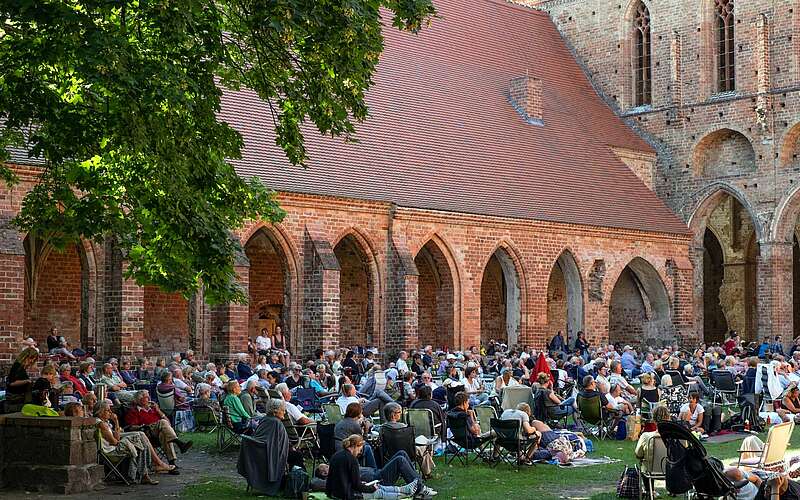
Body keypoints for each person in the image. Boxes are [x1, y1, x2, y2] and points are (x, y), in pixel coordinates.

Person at [95, 400, 175, 484]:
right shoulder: (101, 424)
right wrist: (116, 422)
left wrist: (116, 424)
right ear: (100, 412)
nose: (110, 412)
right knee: (140, 441)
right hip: (111, 451)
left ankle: (149, 471)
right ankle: (150, 470)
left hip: (152, 434)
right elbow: (115, 441)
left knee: (142, 437)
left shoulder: (105, 422)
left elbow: (116, 438)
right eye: (108, 410)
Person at [326, 434, 422, 500]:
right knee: (379, 492)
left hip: (337, 492)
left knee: (378, 487)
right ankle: (408, 492)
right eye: (360, 450)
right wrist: (371, 488)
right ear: (355, 446)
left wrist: (329, 493)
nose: (359, 453)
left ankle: (406, 489)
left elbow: (337, 478)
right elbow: (357, 485)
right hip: (348, 495)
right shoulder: (351, 460)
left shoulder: (336, 455)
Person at [238, 398, 302, 496]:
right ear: (275, 411)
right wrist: (289, 448)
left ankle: (293, 483)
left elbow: (272, 440)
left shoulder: (265, 419)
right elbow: (277, 443)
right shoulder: (276, 423)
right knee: (297, 456)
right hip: (268, 453)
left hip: (260, 451)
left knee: (295, 455)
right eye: (283, 410)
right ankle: (298, 484)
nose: (284, 412)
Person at [125, 390, 192, 468]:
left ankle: (172, 464)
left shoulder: (153, 409)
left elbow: (168, 423)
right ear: (140, 400)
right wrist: (142, 426)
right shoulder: (134, 411)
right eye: (146, 397)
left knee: (165, 434)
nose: (149, 398)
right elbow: (131, 427)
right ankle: (178, 442)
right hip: (147, 433)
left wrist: (158, 410)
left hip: (159, 432)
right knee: (162, 422)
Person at [381, 402, 435, 479]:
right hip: (408, 452)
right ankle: (427, 472)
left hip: (390, 453)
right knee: (425, 447)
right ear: (393, 415)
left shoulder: (382, 428)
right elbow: (410, 442)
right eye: (399, 412)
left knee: (424, 445)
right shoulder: (403, 427)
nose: (400, 414)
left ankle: (426, 472)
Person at [635, 406, 672, 496]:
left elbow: (638, 454)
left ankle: (649, 491)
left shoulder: (646, 436)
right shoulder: (677, 437)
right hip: (672, 469)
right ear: (669, 418)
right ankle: (672, 490)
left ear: (654, 420)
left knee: (645, 464)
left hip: (651, 470)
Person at [5, 347, 39, 411]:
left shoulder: (21, 367)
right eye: (31, 358)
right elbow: (12, 383)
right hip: (16, 397)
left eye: (33, 359)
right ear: (25, 356)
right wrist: (27, 381)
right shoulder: (17, 366)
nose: (31, 361)